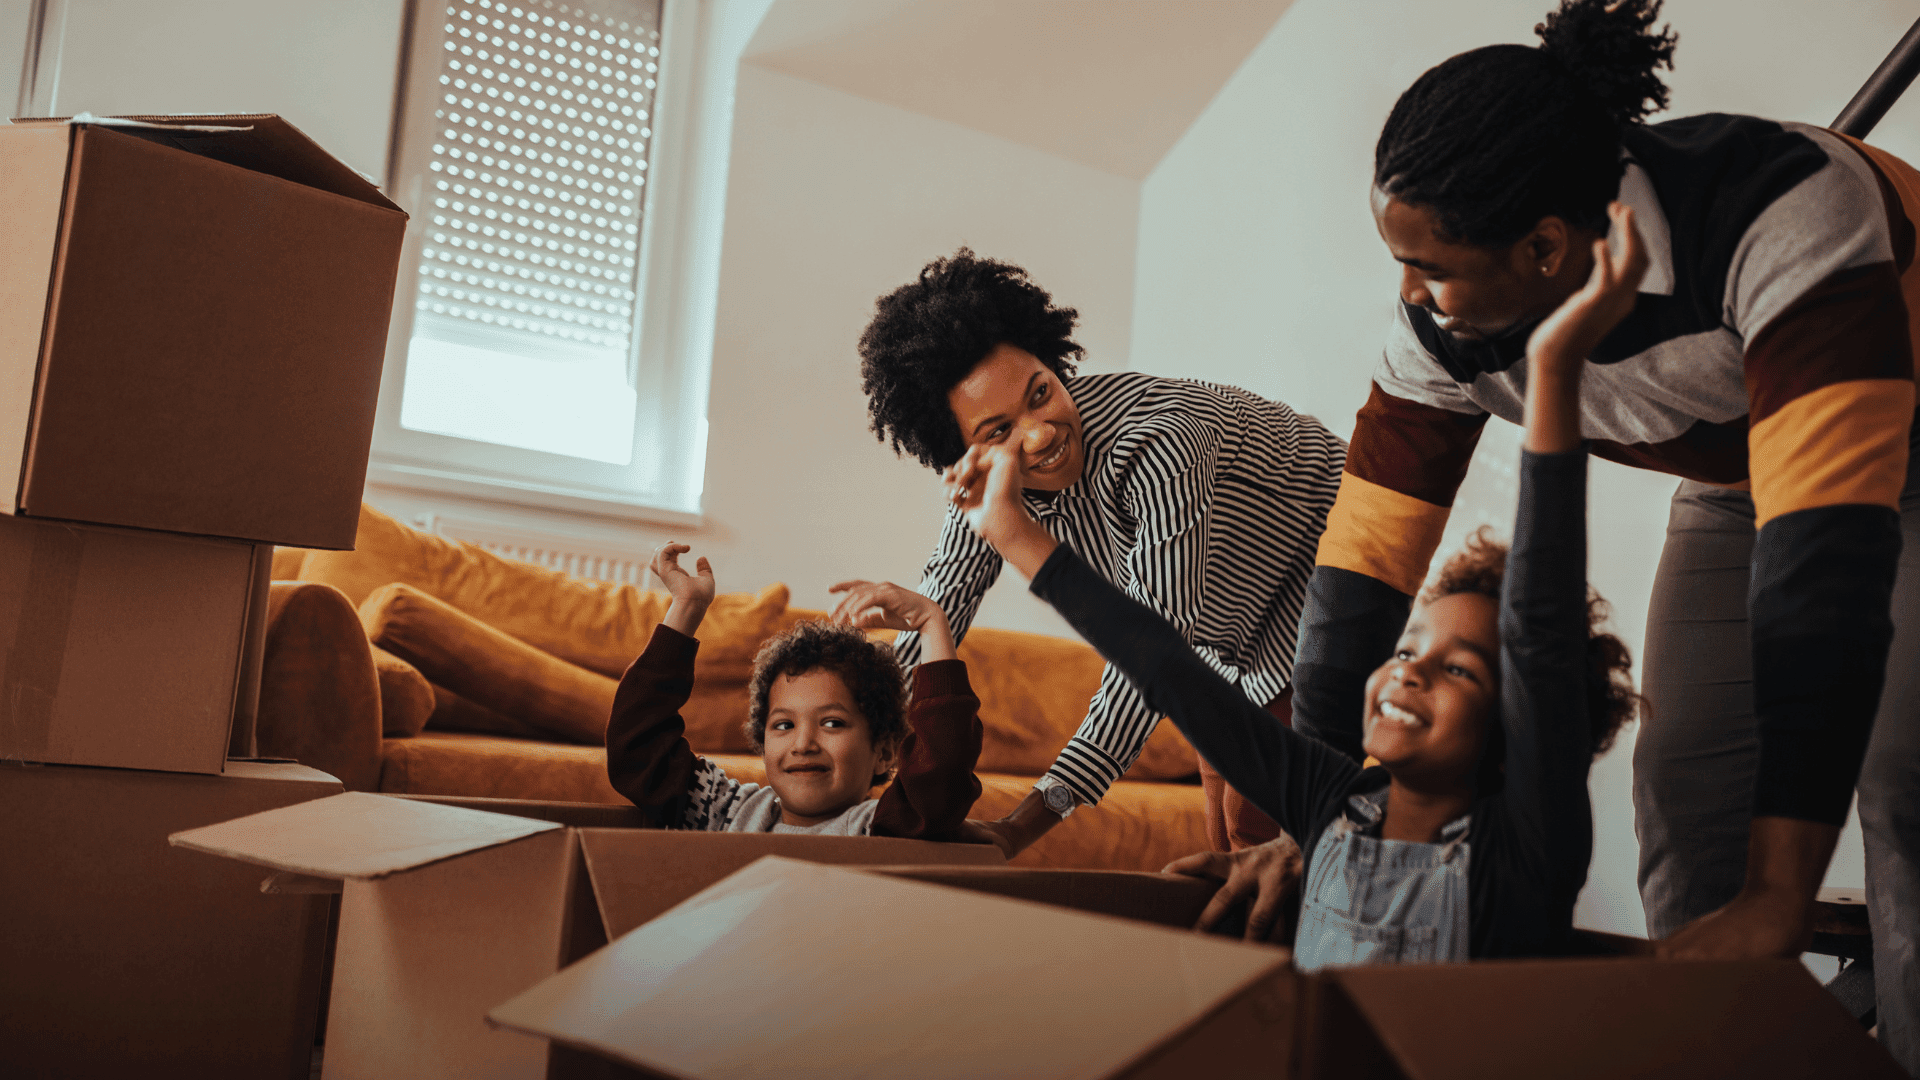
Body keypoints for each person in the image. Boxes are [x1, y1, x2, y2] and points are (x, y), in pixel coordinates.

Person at [1261, 0, 1919, 1060]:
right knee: (1683, 785)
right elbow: (1362, 574)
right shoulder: (1439, 330)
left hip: (1901, 433)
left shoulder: (1786, 212)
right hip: (1739, 468)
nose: (1406, 293)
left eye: (1430, 265)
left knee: (1901, 779)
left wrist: (1781, 891)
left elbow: (1821, 579)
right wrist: (1319, 838)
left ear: (1547, 249)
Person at [944, 201, 1647, 965]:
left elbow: (1540, 623)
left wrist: (1554, 372)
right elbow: (1162, 664)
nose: (1407, 670)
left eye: (1457, 670)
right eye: (1410, 650)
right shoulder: (1327, 804)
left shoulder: (1527, 846)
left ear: (1517, 724)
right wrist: (1013, 535)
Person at [854, 249, 1346, 855]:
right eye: (998, 431)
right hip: (1226, 640)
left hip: (1330, 581)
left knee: (1263, 839)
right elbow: (941, 599)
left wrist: (1022, 825)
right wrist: (851, 729)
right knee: (1226, 847)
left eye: (1041, 393)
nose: (1039, 434)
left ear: (1054, 363)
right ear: (964, 452)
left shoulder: (1160, 441)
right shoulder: (991, 487)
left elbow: (1147, 662)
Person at [606, 543, 983, 838]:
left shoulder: (880, 827)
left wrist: (933, 624)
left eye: (832, 723)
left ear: (884, 752)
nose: (803, 744)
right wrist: (686, 608)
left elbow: (941, 773)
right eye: (783, 726)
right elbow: (637, 749)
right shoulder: (726, 811)